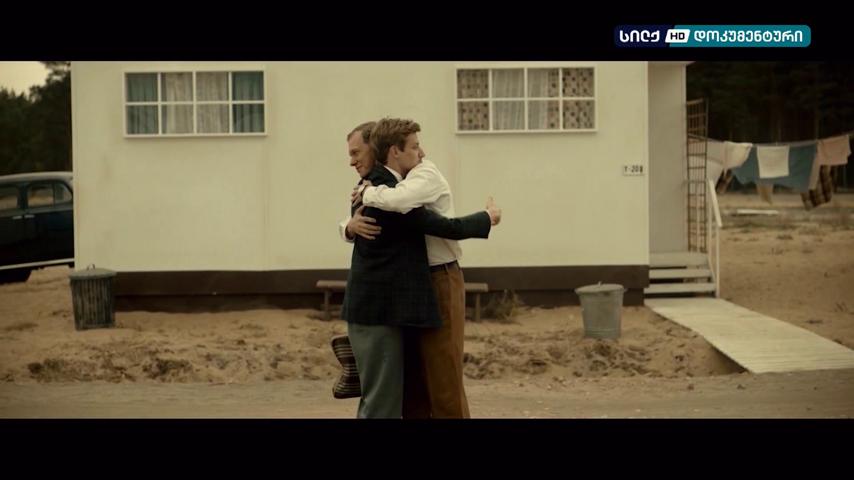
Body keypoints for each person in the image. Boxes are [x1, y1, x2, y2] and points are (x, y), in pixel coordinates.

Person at [339, 121, 501, 418]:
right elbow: (425, 220)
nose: (422, 151)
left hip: (426, 286)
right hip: (392, 304)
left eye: (356, 152)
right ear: (393, 151)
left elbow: (425, 216)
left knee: (438, 379)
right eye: (414, 146)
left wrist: (486, 218)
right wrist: (349, 225)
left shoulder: (407, 179)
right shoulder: (379, 186)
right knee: (405, 390)